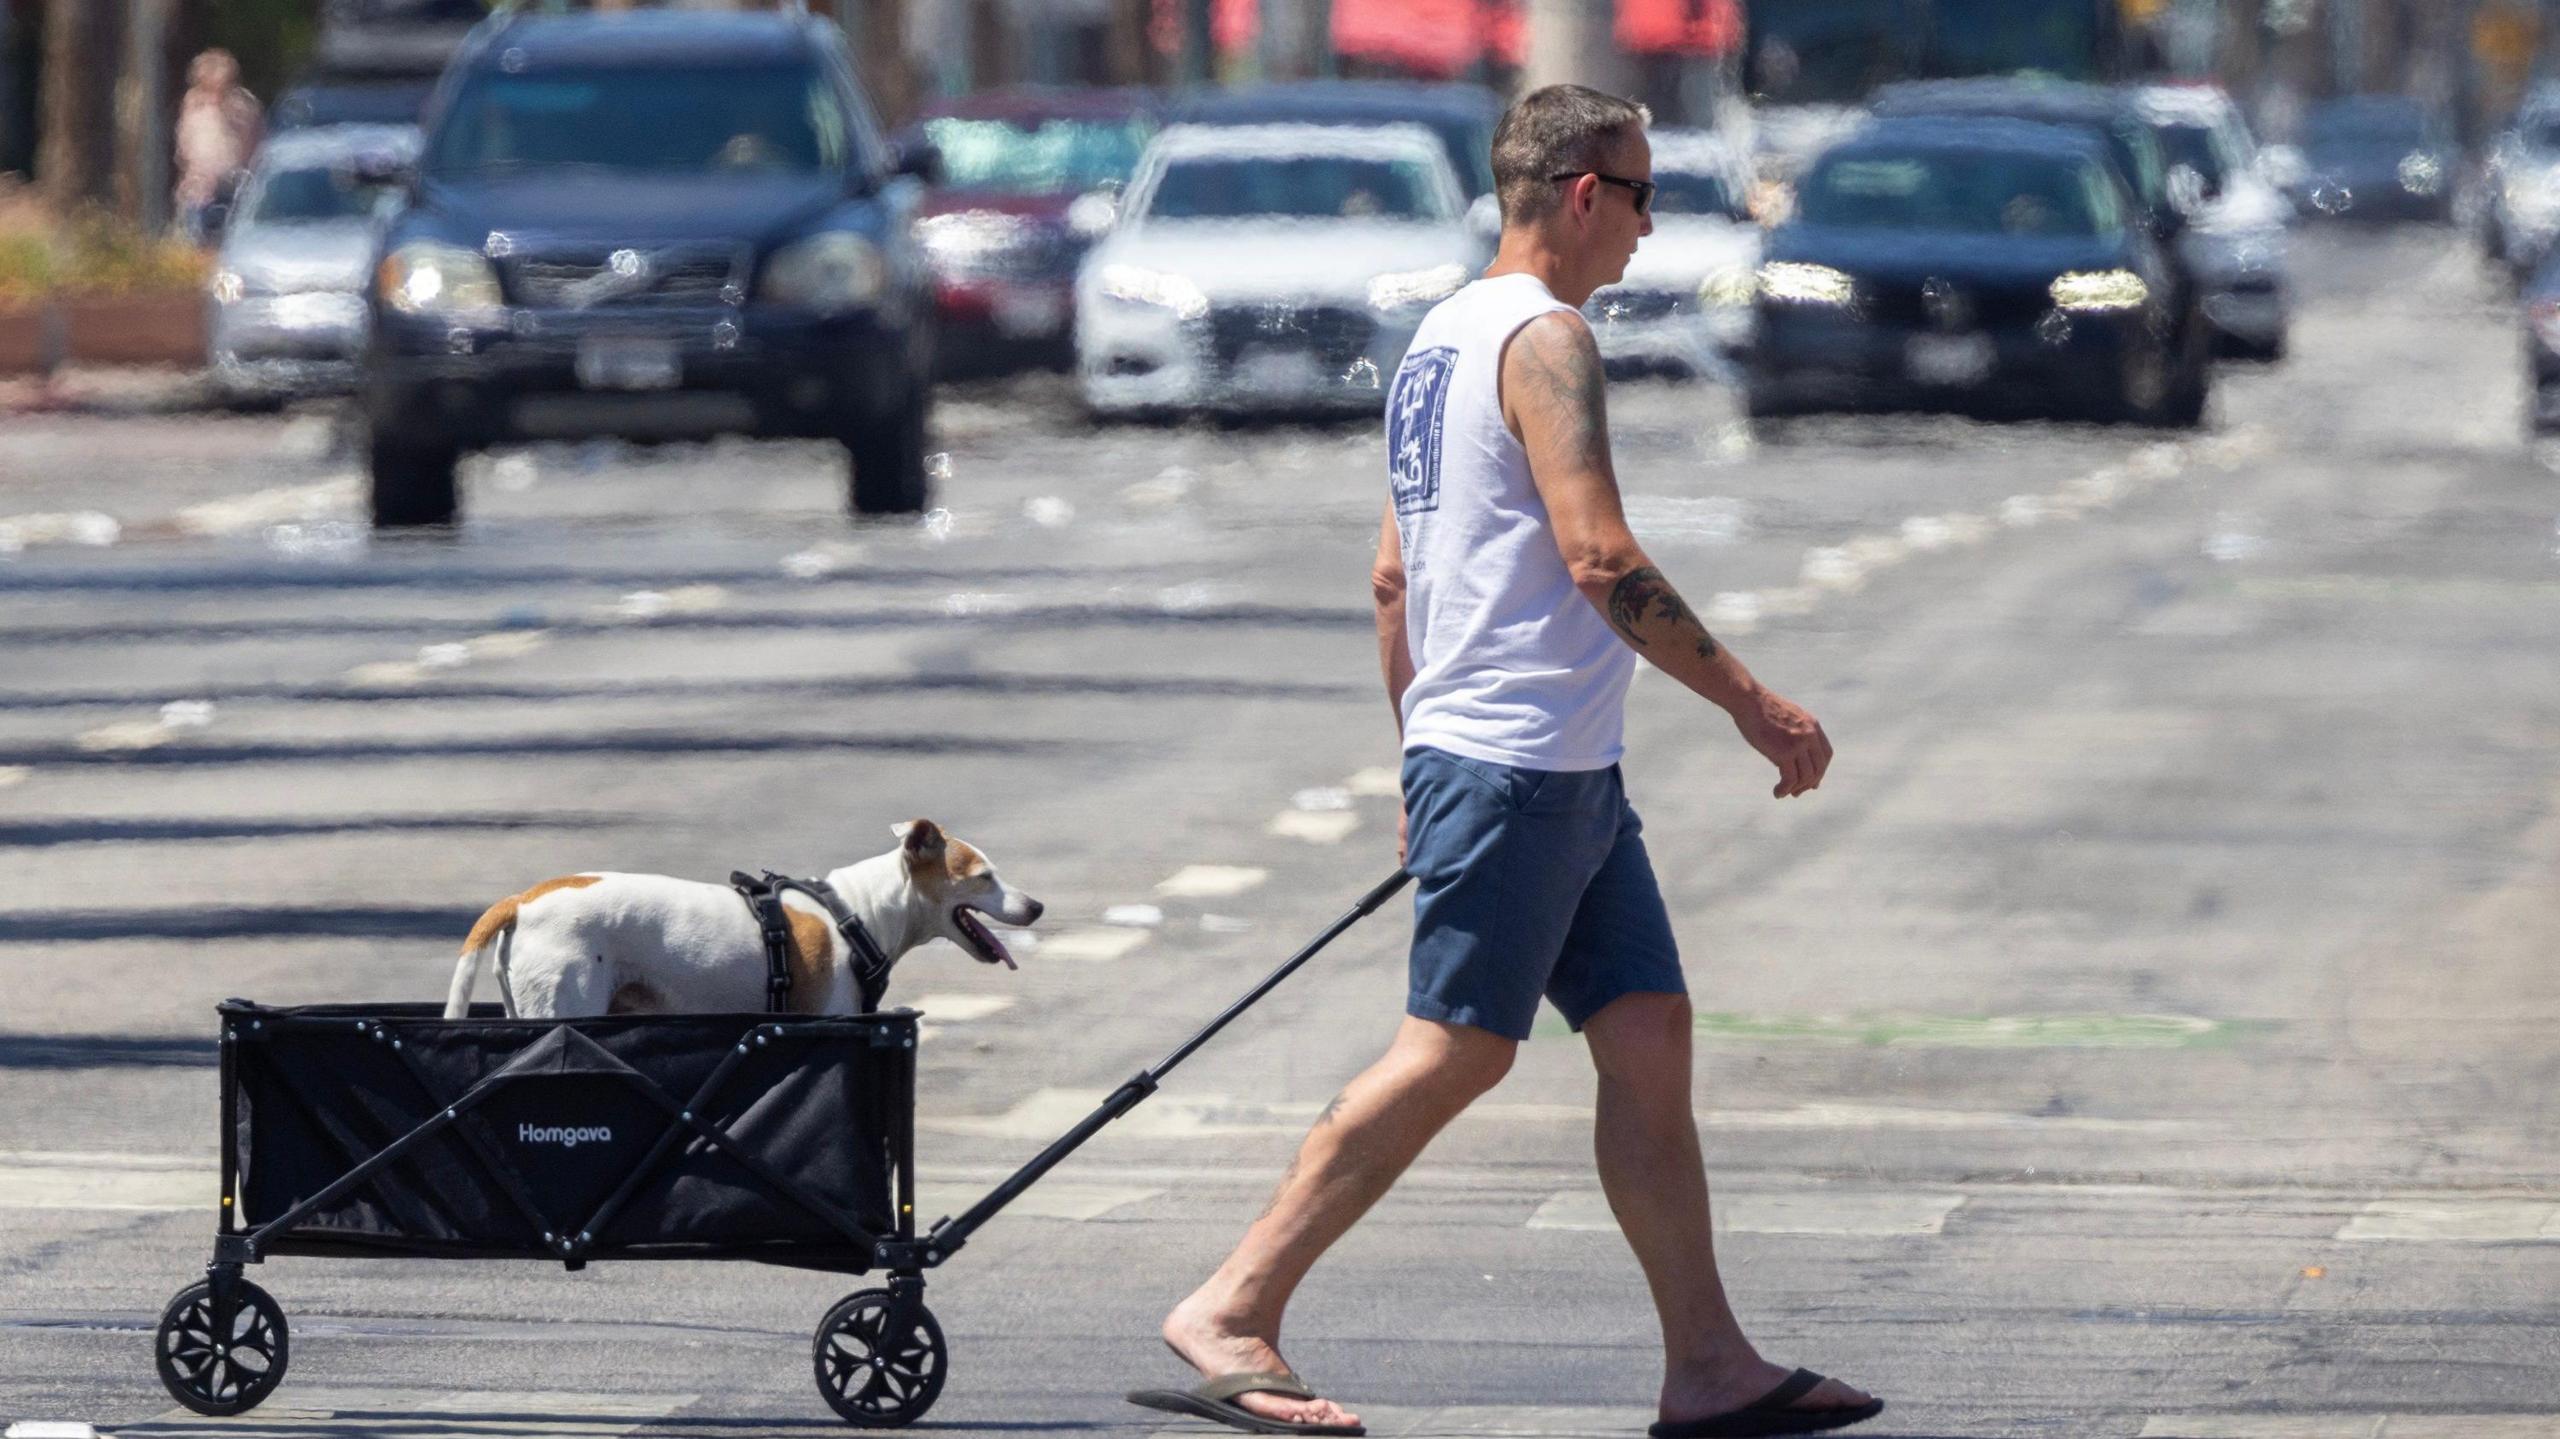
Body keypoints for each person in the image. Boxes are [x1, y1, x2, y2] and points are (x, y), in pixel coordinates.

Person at [1128, 86, 1885, 1439]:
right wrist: (1752, 703)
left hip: (1549, 767)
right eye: (1645, 196)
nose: (1654, 225)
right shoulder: (1545, 340)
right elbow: (1600, 556)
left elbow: (1389, 576)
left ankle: (1707, 1362)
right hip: (1521, 760)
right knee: (1458, 1048)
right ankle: (1232, 1304)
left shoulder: (1439, 340)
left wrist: (1420, 754)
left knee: (1647, 1033)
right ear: (1586, 193)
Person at [175, 49, 262, 245]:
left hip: (234, 185)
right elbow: (185, 144)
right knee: (196, 240)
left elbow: (255, 142)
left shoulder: (243, 104)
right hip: (200, 188)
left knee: (233, 241)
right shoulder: (193, 104)